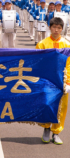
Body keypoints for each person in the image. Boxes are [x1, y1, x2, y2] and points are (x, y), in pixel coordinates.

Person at [36, 17, 70, 145]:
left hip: (62, 81)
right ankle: (46, 128)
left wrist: (68, 82)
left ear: (62, 29)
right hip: (47, 81)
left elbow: (69, 65)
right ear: (50, 28)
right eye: (54, 27)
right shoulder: (42, 44)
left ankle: (56, 133)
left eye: (59, 28)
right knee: (47, 104)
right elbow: (38, 63)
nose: (56, 30)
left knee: (62, 107)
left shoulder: (67, 45)